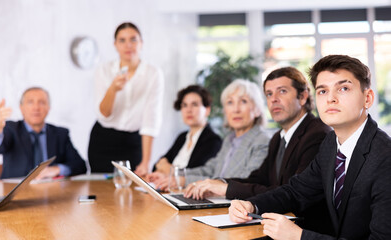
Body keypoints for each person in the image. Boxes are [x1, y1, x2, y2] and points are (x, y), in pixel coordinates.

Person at [229, 55, 391, 239]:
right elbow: (296, 191)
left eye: (343, 88)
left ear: (367, 98)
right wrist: (252, 205)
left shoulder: (385, 158)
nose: (331, 98)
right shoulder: (331, 143)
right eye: (322, 91)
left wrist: (299, 236)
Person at [184, 67, 333, 234]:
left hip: (303, 230)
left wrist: (228, 190)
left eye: (282, 91)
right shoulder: (278, 137)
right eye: (269, 94)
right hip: (275, 223)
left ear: (303, 96)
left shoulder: (318, 134)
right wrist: (222, 184)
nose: (274, 100)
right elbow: (259, 178)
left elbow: (291, 192)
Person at [149, 79, 270, 190]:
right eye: (230, 102)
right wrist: (175, 177)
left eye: (243, 101)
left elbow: (245, 182)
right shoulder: (229, 139)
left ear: (258, 109)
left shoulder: (262, 141)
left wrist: (181, 179)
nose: (235, 109)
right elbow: (210, 170)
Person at [88, 22, 164, 176]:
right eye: (122, 40)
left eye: (133, 39)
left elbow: (151, 118)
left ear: (141, 43)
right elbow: (104, 113)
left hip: (133, 142)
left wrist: (146, 161)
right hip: (103, 139)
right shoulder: (104, 70)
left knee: (133, 191)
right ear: (115, 45)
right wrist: (113, 89)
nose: (128, 45)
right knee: (101, 189)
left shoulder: (153, 73)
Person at [0, 87, 87, 180]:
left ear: (48, 108)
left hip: (51, 193)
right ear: (21, 108)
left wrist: (57, 169)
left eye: (42, 102)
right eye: (30, 102)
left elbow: (80, 166)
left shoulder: (60, 134)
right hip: (15, 194)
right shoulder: (11, 129)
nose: (36, 107)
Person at [153, 85, 222, 175]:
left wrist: (168, 169)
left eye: (194, 105)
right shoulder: (182, 137)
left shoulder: (213, 141)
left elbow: (195, 175)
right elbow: (157, 165)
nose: (188, 110)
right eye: (184, 105)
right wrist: (168, 169)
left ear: (207, 110)